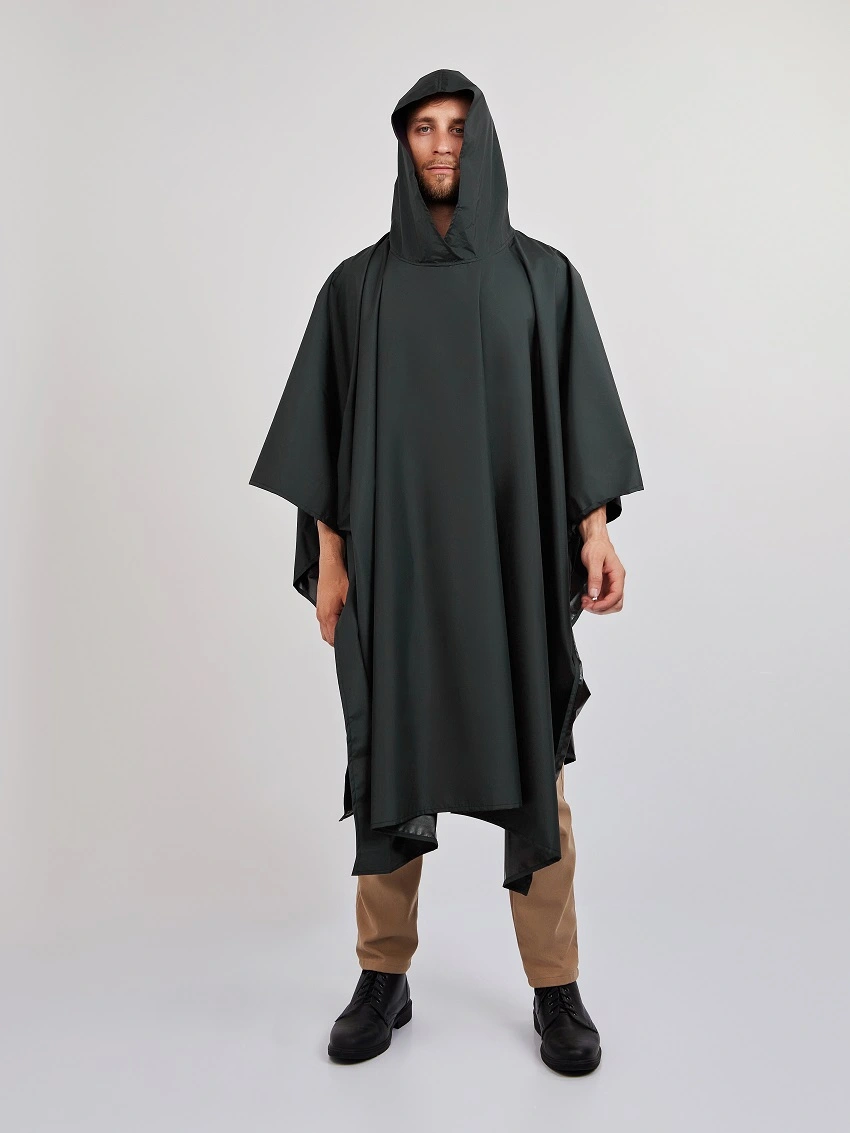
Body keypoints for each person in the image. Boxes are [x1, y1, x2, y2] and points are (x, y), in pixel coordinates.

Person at [249, 69, 644, 1074]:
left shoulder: (541, 278)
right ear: (403, 145)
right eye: (423, 128)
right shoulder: (359, 287)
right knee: (389, 766)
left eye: (456, 129)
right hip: (400, 571)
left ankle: (555, 985)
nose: (440, 145)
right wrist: (330, 561)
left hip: (511, 569)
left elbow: (575, 415)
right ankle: (382, 973)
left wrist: (595, 529)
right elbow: (327, 437)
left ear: (483, 141)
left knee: (535, 772)